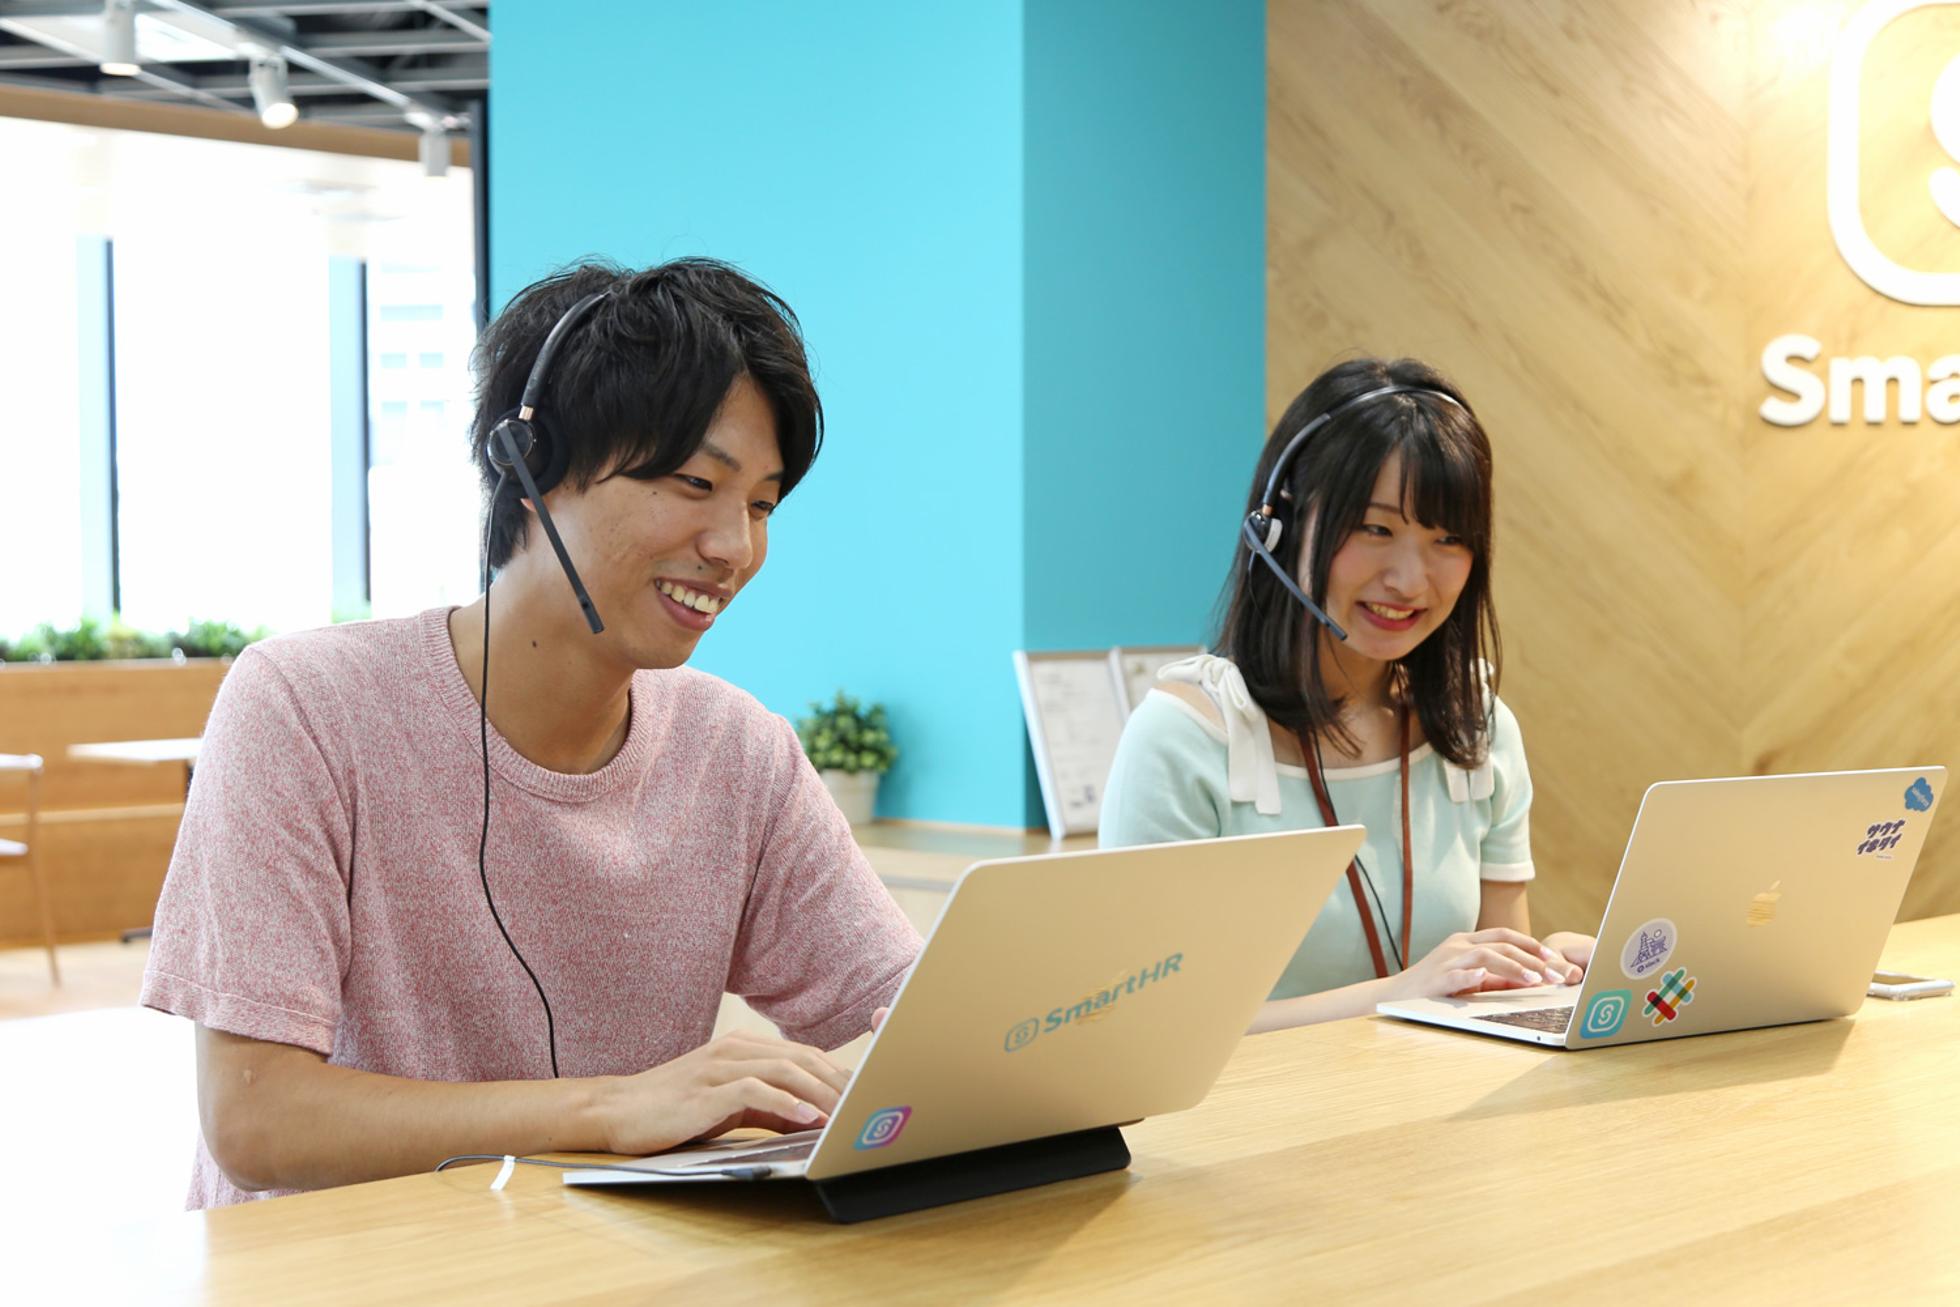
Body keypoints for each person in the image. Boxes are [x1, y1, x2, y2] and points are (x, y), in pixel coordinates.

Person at [140, 258, 921, 1208]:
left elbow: (924, 1016)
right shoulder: (304, 706)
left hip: (593, 1261)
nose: (736, 547)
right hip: (341, 1264)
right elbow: (259, 1120)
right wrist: (610, 1108)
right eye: (694, 482)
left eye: (760, 503)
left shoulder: (738, 750)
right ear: (529, 468)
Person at [1099, 357, 1594, 1030]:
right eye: (1376, 529)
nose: (1411, 580)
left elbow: (1485, 997)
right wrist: (1402, 992)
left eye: (1448, 539)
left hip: (1435, 1097)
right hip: (1248, 1103)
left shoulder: (1477, 729)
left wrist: (1550, 974)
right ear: (1279, 526)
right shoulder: (1183, 741)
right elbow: (1145, 1027)